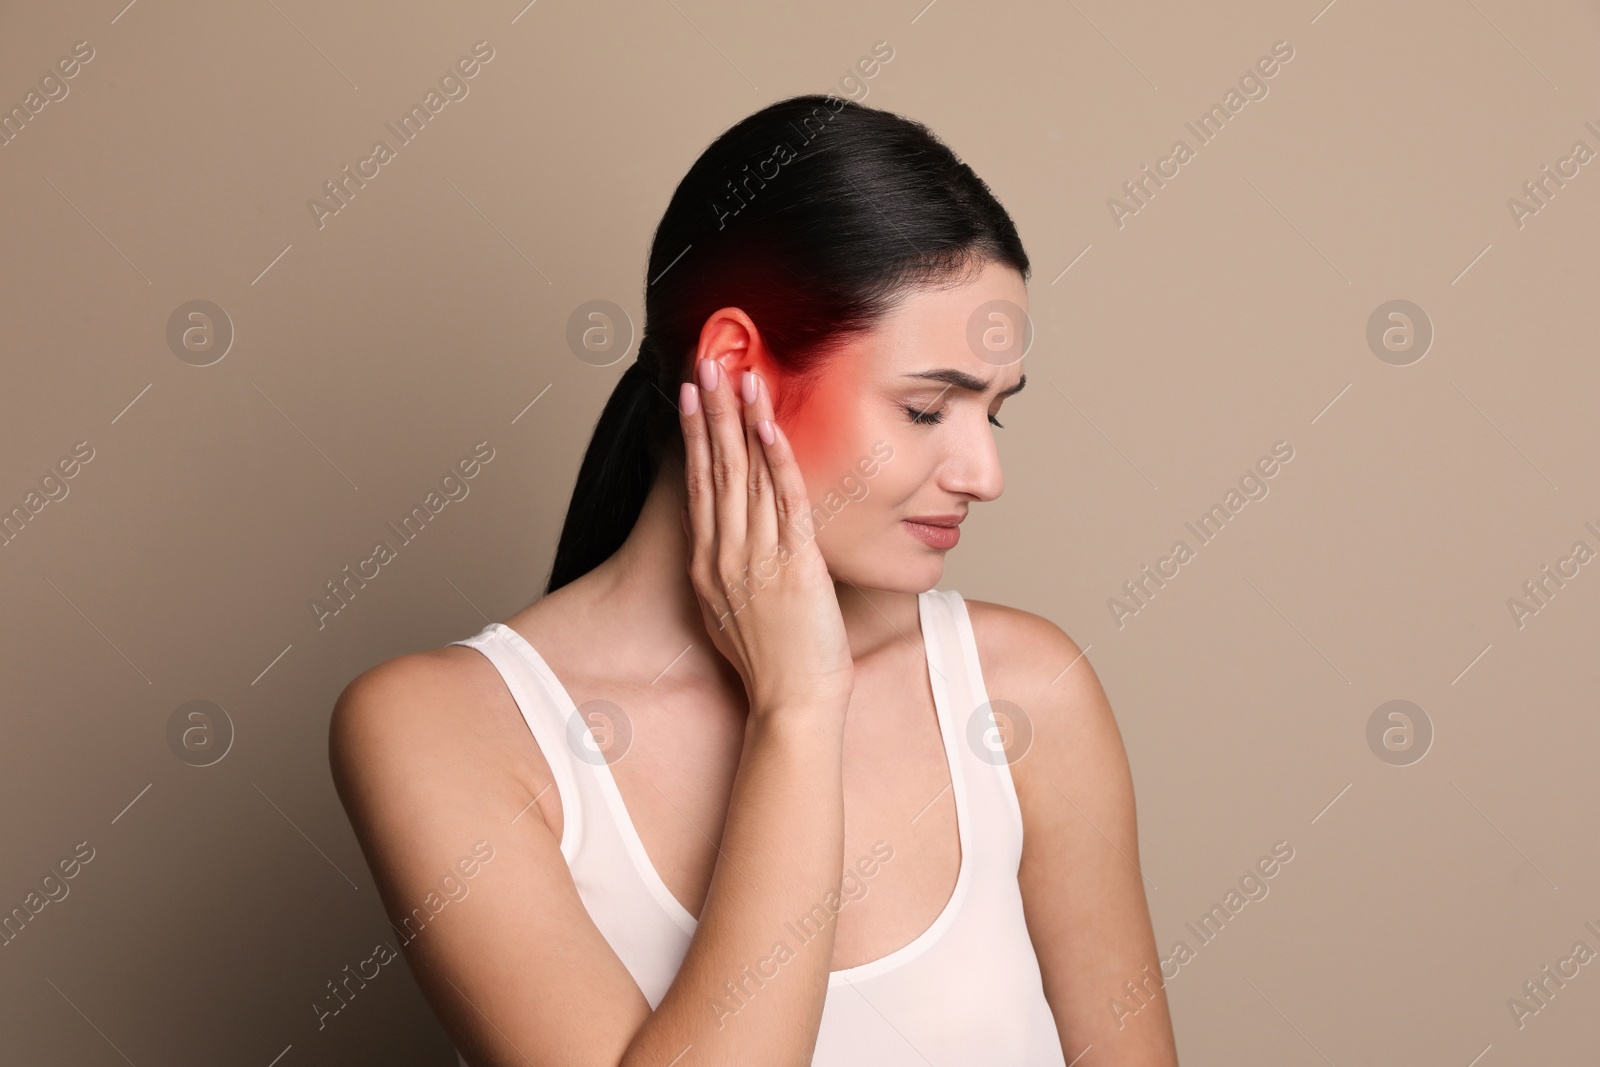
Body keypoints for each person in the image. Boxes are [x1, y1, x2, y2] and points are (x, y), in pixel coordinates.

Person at [329, 93, 1178, 1067]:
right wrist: (799, 705)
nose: (984, 473)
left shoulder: (1028, 694)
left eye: (995, 413)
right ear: (736, 363)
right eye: (925, 408)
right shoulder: (441, 731)